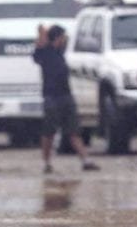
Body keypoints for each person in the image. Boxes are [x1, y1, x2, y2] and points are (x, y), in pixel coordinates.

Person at [32, 24, 99, 174]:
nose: (66, 39)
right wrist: (43, 33)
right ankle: (46, 162)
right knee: (49, 132)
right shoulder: (45, 53)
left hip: (66, 95)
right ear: (58, 37)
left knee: (74, 130)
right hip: (51, 97)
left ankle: (85, 160)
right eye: (63, 36)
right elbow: (38, 47)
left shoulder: (60, 52)